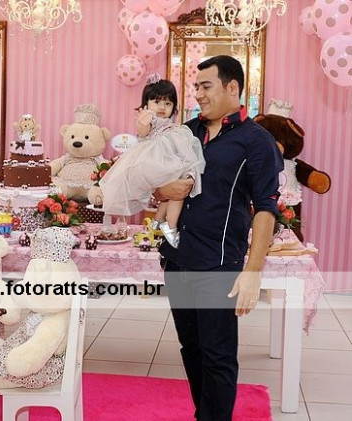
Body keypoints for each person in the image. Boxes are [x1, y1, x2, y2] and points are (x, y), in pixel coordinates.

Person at [155, 55, 284, 421]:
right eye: (196, 87)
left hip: (218, 263)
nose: (198, 94)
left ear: (232, 88)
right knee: (191, 348)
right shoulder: (187, 132)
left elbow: (266, 207)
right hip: (177, 258)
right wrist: (162, 190)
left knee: (218, 354)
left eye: (206, 86)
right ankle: (205, 413)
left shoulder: (256, 141)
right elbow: (159, 184)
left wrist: (252, 271)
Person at [100, 74, 205, 248]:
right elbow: (142, 132)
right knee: (177, 193)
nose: (162, 107)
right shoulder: (150, 120)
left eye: (168, 103)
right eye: (157, 102)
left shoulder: (173, 127)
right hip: (153, 161)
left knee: (175, 192)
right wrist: (143, 122)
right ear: (146, 104)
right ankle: (170, 227)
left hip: (166, 161)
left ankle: (158, 221)